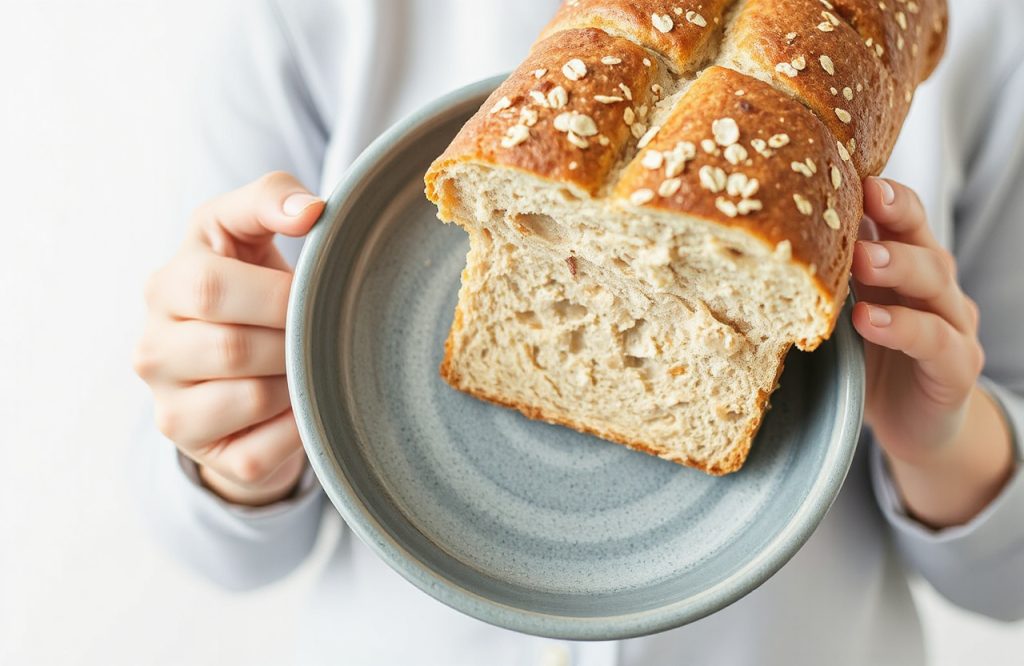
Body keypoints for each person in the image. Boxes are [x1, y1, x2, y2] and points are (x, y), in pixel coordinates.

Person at [131, 1, 1024, 663]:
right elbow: (209, 550)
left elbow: (1005, 585)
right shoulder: (311, 19)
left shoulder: (980, 35)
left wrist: (944, 443)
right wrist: (234, 445)